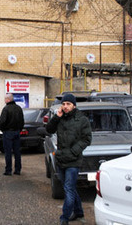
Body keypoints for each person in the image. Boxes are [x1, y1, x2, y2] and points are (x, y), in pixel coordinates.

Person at [45, 93, 92, 225]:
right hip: (61, 159)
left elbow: (87, 139)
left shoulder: (82, 120)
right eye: (64, 104)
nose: (65, 107)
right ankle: (79, 211)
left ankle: (64, 218)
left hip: (73, 160)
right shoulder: (60, 118)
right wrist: (56, 117)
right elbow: (49, 129)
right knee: (70, 188)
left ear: (74, 105)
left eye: (68, 104)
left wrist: (74, 151)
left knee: (68, 189)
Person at [0, 93, 24, 176]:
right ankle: (18, 169)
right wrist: (19, 129)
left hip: (8, 132)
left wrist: (2, 129)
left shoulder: (6, 109)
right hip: (17, 132)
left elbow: (2, 122)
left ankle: (8, 170)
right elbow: (22, 121)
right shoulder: (19, 108)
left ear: (8, 100)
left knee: (8, 152)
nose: (4, 100)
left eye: (5, 99)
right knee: (17, 152)